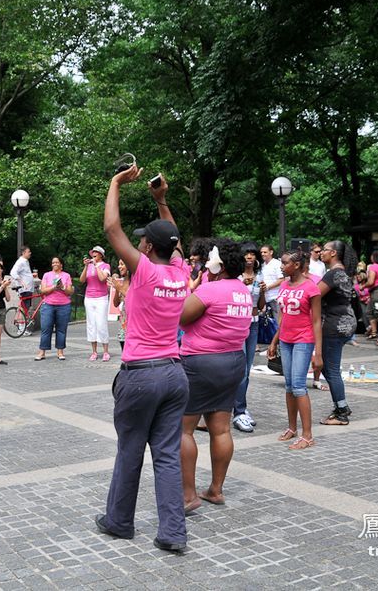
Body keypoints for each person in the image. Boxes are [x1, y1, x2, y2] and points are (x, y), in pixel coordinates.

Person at [95, 164, 190, 554]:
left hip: (141, 375)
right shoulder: (181, 273)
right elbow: (177, 241)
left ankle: (119, 521)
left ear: (148, 248)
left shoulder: (146, 272)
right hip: (174, 374)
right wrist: (161, 201)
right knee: (167, 455)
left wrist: (115, 181)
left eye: (143, 242)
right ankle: (173, 532)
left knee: (130, 448)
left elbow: (112, 230)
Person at [178, 239, 252, 514]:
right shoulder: (243, 291)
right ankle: (215, 489)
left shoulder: (210, 290)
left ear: (217, 264)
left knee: (183, 429)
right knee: (220, 428)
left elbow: (182, 318)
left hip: (200, 362)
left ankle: (188, 495)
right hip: (233, 361)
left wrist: (194, 286)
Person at [267, 249, 322, 450]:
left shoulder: (311, 288)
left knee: (299, 386)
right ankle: (292, 428)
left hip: (303, 340)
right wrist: (274, 341)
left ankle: (308, 436)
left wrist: (318, 353)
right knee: (289, 386)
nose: (281, 266)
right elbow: (283, 317)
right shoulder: (283, 285)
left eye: (284, 263)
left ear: (297, 265)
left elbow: (316, 321)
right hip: (285, 340)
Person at [318, 240, 357, 426]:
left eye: (325, 250)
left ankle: (342, 412)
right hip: (346, 322)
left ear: (333, 253)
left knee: (331, 369)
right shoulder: (343, 273)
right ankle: (340, 406)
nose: (321, 253)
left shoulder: (333, 274)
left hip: (335, 324)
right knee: (328, 367)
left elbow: (314, 294)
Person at [233, 243, 265, 433]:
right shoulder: (235, 277)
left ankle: (241, 407)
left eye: (253, 254)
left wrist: (262, 291)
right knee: (240, 370)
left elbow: (261, 306)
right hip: (238, 322)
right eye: (247, 254)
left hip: (254, 323)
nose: (250, 257)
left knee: (246, 369)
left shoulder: (259, 277)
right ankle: (239, 410)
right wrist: (241, 286)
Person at [35, 258, 73, 361]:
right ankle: (42, 351)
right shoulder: (47, 275)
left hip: (64, 305)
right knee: (46, 328)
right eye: (53, 263)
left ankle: (60, 351)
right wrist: (54, 287)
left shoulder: (66, 275)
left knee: (61, 329)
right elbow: (43, 291)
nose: (55, 264)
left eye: (57, 262)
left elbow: (70, 291)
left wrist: (62, 287)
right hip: (48, 304)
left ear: (61, 264)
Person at [81, 245, 112, 361]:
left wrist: (95, 265)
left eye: (96, 252)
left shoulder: (105, 266)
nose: (93, 254)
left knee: (101, 323)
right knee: (91, 324)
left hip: (101, 298)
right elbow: (82, 280)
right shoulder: (88, 266)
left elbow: (102, 278)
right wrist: (86, 267)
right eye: (92, 252)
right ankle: (94, 351)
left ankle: (105, 351)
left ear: (101, 255)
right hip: (89, 297)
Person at [108, 260, 130, 351]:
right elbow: (116, 303)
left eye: (122, 264)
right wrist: (116, 288)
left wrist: (119, 288)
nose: (119, 266)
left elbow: (132, 298)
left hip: (134, 324)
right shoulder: (123, 280)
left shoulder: (136, 280)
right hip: (124, 326)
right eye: (119, 264)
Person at [260, 244, 284, 318]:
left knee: (277, 323)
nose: (262, 254)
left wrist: (267, 287)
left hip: (275, 297)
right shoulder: (262, 265)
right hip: (264, 299)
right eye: (261, 252)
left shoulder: (277, 264)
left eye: (265, 252)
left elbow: (281, 279)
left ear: (271, 252)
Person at [10, 246, 35, 314]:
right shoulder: (21, 262)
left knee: (26, 307)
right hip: (25, 289)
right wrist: (21, 282)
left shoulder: (25, 261)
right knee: (24, 308)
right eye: (28, 252)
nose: (30, 253)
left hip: (28, 288)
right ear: (24, 253)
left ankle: (23, 322)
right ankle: (22, 323)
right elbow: (13, 272)